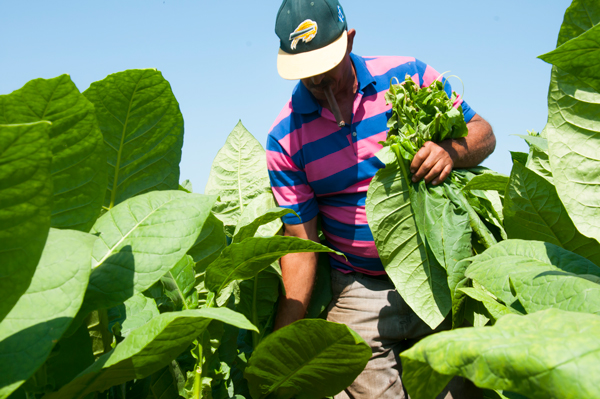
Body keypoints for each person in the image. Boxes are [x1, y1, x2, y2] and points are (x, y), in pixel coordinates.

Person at [266, 0, 495, 398]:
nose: (321, 86)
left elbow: (483, 133)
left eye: (328, 71)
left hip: (436, 270)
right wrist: (279, 346)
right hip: (359, 287)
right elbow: (300, 245)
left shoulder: (408, 76)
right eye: (309, 78)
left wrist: (449, 152)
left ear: (349, 40)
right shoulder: (285, 137)